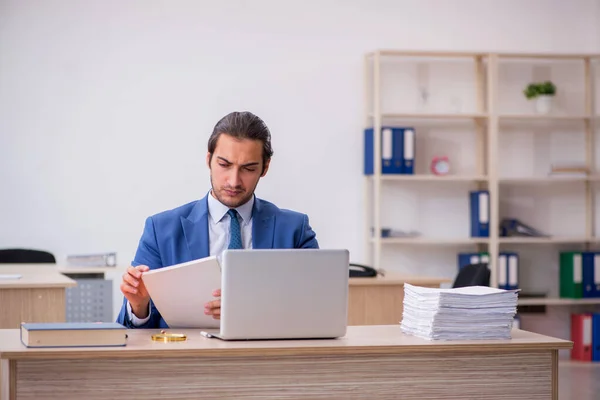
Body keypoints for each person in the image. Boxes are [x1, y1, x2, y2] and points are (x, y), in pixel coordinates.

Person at [115, 111, 319, 329]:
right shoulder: (160, 230)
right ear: (208, 159)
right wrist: (138, 306)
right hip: (189, 359)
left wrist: (255, 309)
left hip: (267, 359)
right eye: (224, 164)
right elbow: (132, 332)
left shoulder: (294, 230)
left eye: (248, 169)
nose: (233, 180)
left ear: (265, 168)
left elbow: (318, 310)